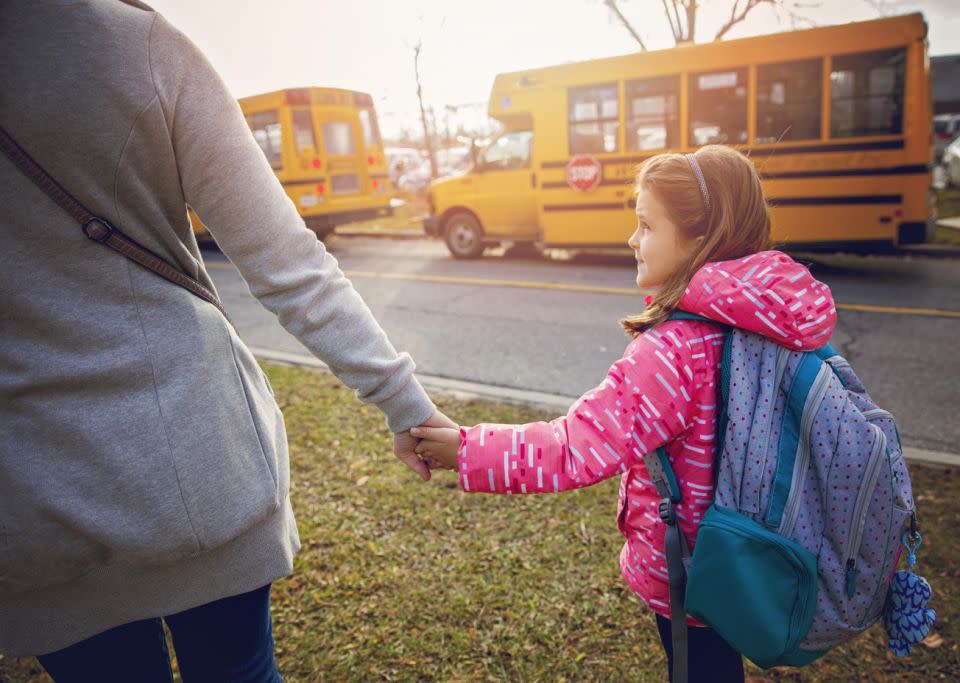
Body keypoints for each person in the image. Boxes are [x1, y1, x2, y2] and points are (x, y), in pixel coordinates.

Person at [0, 1, 453, 679]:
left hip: (38, 499)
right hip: (200, 465)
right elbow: (290, 265)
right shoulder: (138, 44)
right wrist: (407, 405)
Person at [412, 144, 839, 683]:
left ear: (699, 235)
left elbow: (573, 448)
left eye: (645, 225)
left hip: (696, 571)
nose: (631, 240)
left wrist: (468, 450)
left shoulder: (674, 352)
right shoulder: (776, 318)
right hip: (762, 548)